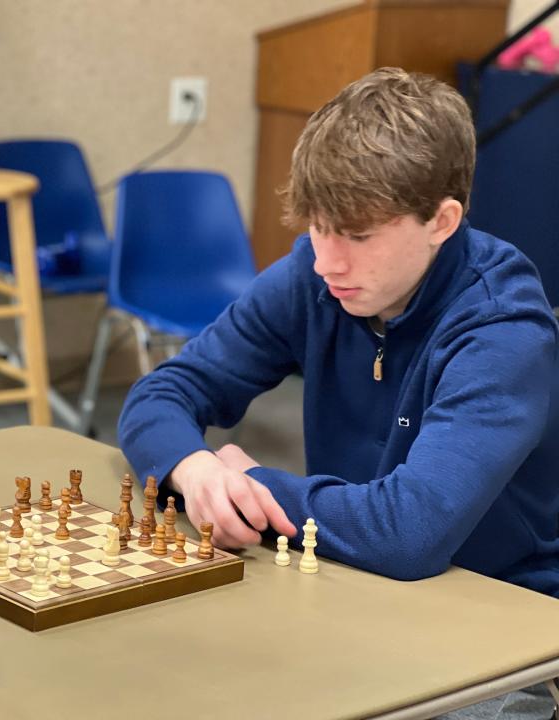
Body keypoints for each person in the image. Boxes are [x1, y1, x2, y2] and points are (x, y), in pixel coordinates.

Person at [119, 66, 559, 718]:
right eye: (317, 227)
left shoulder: (503, 330)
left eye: (355, 235)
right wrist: (197, 469)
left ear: (442, 220)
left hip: (500, 624)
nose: (327, 260)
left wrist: (258, 485)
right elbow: (162, 393)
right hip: (346, 577)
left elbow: (409, 533)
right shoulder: (315, 275)